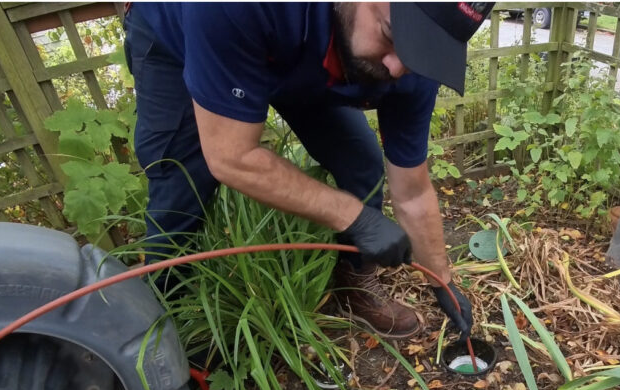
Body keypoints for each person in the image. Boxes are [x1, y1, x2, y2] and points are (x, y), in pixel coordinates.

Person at [123, 2, 494, 340]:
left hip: (302, 48)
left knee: (361, 161)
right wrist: (354, 217)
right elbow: (230, 156)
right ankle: (165, 331)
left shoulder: (410, 60)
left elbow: (412, 191)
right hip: (186, 35)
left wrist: (441, 283)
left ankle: (355, 282)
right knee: (182, 184)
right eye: (390, 34)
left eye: (419, 49)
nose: (398, 66)